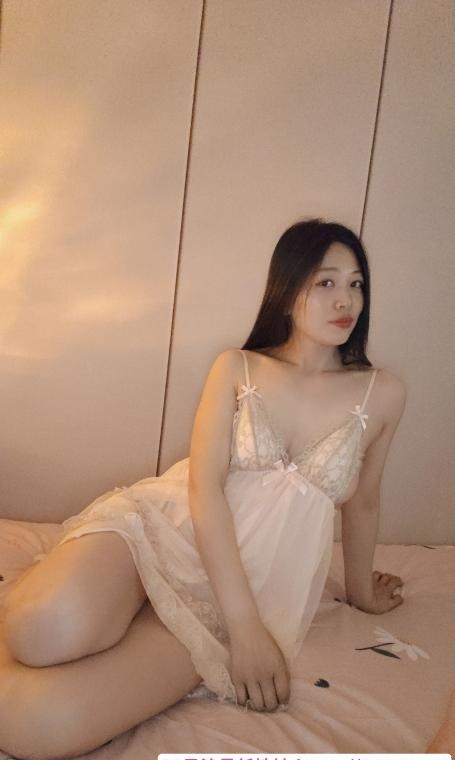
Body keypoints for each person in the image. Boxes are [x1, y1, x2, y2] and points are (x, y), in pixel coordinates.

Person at [0, 218, 407, 759]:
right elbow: (204, 489)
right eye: (325, 281)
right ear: (288, 290)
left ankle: (117, 618)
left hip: (246, 590)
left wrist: (360, 592)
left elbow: (364, 501)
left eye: (356, 284)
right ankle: (97, 604)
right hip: (165, 530)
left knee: (36, 728)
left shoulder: (382, 393)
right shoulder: (237, 367)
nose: (345, 300)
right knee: (37, 629)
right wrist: (245, 626)